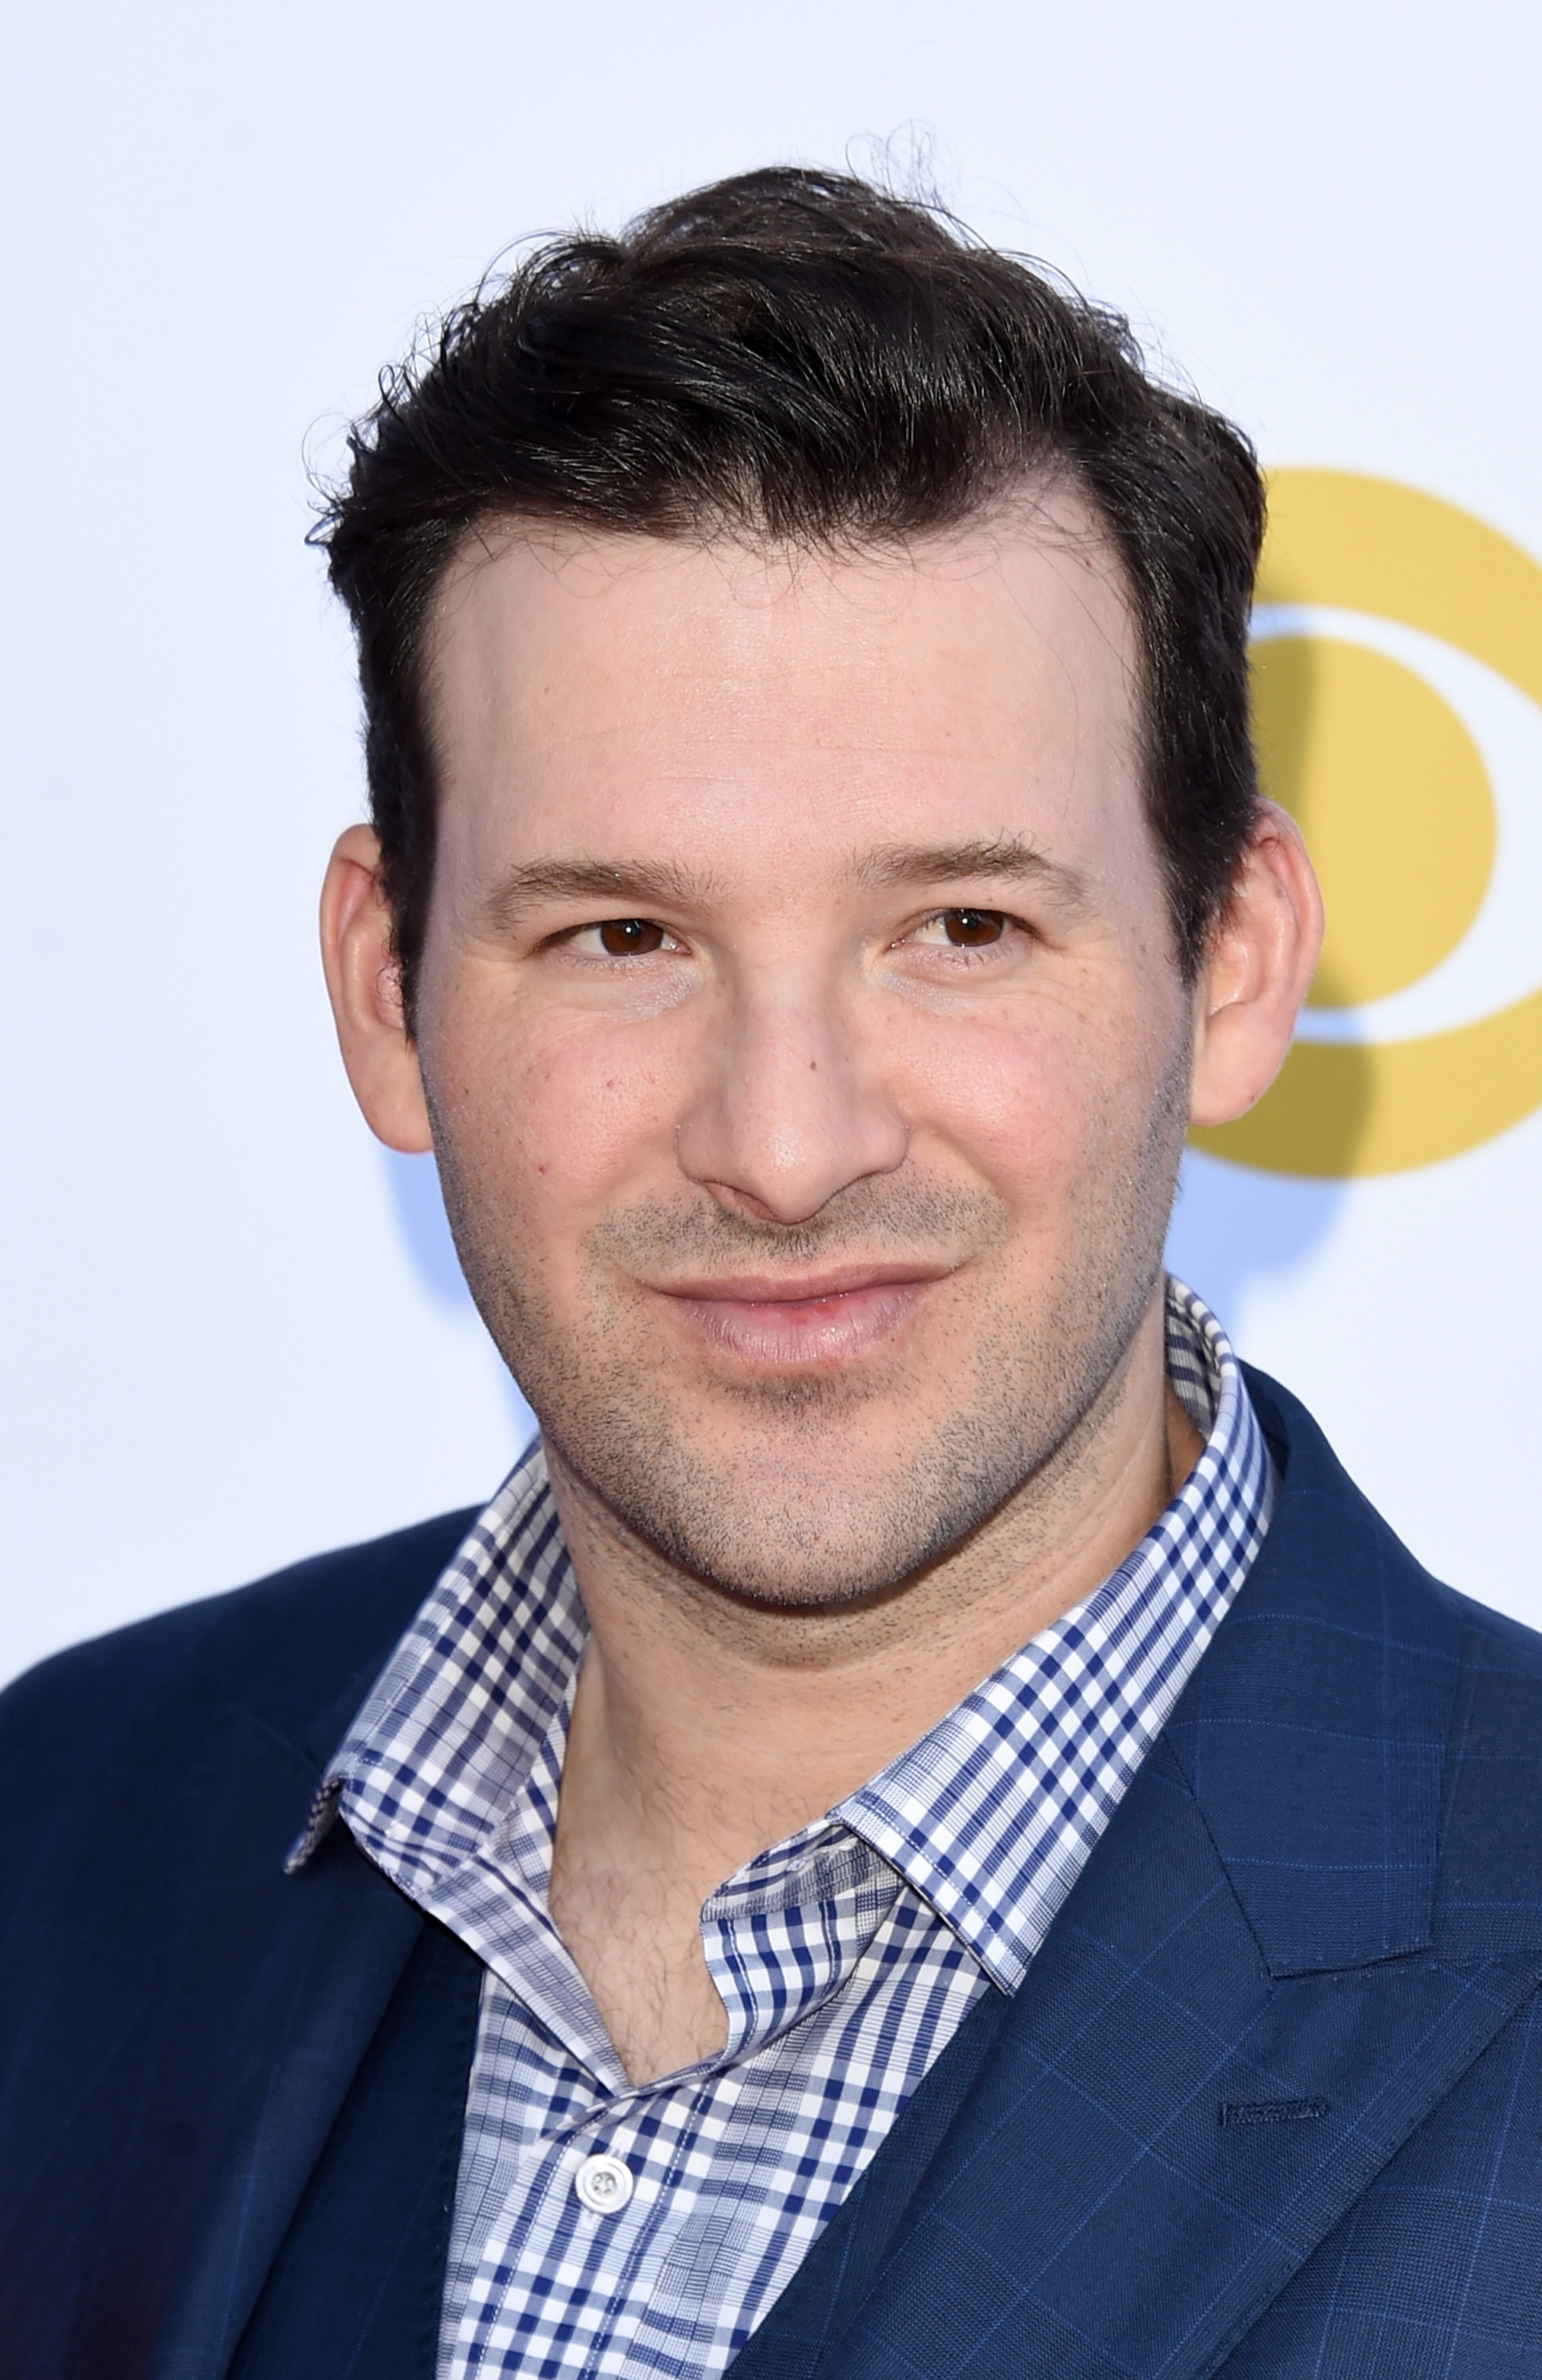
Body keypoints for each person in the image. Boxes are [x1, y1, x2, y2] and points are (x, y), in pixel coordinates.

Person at [3, 168, 1540, 2380]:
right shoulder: (69, 1823)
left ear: (1232, 964)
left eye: (962, 932)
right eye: (625, 938)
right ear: (384, 986)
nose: (789, 1142)